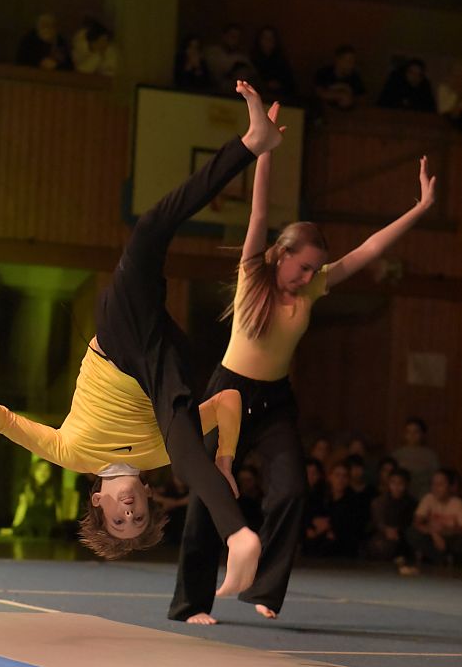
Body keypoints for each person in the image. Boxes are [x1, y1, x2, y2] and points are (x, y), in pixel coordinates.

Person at [0, 81, 285, 594]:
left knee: (151, 228)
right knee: (181, 442)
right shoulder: (158, 456)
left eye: (119, 519)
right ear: (148, 498)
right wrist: (224, 459)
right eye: (138, 517)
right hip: (163, 362)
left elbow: (12, 426)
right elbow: (229, 401)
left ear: (97, 503)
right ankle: (238, 534)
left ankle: (251, 144)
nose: (129, 511)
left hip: (123, 339)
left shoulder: (72, 452)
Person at [169, 139, 436, 622]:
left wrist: (419, 209)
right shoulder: (253, 275)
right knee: (209, 496)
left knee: (291, 489)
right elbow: (259, 212)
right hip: (227, 394)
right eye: (304, 266)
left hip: (274, 401)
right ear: (282, 254)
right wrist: (266, 151)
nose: (309, 276)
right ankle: (191, 603)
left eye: (315, 269)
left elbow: (370, 249)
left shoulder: (313, 288)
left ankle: (265, 589)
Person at [402, 469, 462, 573]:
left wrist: (445, 531)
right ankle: (441, 558)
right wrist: (434, 533)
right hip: (432, 537)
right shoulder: (428, 498)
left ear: (450, 486)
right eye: (433, 484)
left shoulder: (457, 503)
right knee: (411, 533)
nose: (435, 488)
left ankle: (449, 558)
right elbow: (416, 522)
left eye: (440, 484)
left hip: (450, 538)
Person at [364, 467, 416, 563]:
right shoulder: (379, 502)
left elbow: (410, 523)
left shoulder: (412, 503)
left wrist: (398, 530)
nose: (396, 487)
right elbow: (378, 521)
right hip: (381, 534)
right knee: (379, 545)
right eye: (393, 483)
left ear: (407, 485)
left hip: (403, 536)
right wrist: (386, 530)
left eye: (400, 483)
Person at [8, 458, 59, 537]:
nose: (43, 473)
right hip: (30, 525)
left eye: (46, 470)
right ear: (34, 471)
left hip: (47, 526)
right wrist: (14, 527)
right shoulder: (26, 487)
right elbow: (22, 507)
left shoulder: (53, 489)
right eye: (40, 469)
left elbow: (58, 510)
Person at [392, 416, 440, 500]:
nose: (412, 435)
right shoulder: (397, 454)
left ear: (422, 434)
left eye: (416, 432)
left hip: (423, 496)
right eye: (408, 432)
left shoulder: (430, 456)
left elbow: (436, 479)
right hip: (401, 497)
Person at [250, 26, 296, 104]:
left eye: (271, 38)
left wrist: (279, 85)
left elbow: (290, 85)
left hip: (278, 100)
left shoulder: (282, 62)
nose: (268, 41)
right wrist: (264, 85)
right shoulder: (252, 59)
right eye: (265, 38)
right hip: (255, 99)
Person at [314, 45, 365, 110]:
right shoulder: (324, 73)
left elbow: (362, 98)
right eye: (348, 61)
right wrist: (341, 95)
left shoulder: (354, 76)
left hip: (348, 113)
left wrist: (351, 98)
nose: (351, 64)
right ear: (338, 60)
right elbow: (319, 93)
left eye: (353, 61)